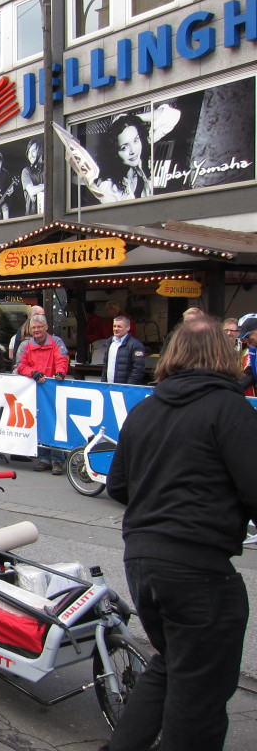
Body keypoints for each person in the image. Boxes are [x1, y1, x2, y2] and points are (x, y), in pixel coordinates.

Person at [102, 316, 257, 751]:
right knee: (202, 692)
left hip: (144, 558)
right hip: (198, 567)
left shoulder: (147, 407)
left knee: (171, 665)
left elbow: (118, 486)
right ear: (224, 357)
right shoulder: (229, 409)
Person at [15, 315, 69, 474]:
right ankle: (44, 458)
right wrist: (34, 373)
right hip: (35, 389)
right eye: (34, 328)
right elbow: (20, 366)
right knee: (38, 424)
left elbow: (61, 360)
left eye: (39, 327)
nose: (36, 330)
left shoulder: (56, 342)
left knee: (54, 424)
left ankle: (57, 459)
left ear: (46, 327)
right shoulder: (26, 345)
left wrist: (60, 372)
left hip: (53, 389)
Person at [95, 106, 180, 204]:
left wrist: (132, 119)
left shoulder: (140, 151)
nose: (133, 150)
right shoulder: (108, 188)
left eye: (135, 140)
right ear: (114, 153)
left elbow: (173, 115)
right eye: (124, 147)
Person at [101, 315, 147, 384]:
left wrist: (128, 387)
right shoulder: (110, 342)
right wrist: (103, 384)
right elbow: (105, 367)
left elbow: (138, 370)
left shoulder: (136, 345)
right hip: (109, 387)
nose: (116, 329)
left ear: (128, 328)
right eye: (114, 326)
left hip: (125, 390)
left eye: (119, 326)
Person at [21, 139, 45, 215]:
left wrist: (39, 187)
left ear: (40, 152)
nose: (30, 155)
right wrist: (45, 186)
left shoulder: (47, 168)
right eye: (29, 152)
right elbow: (31, 190)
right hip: (31, 217)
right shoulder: (26, 171)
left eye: (33, 151)